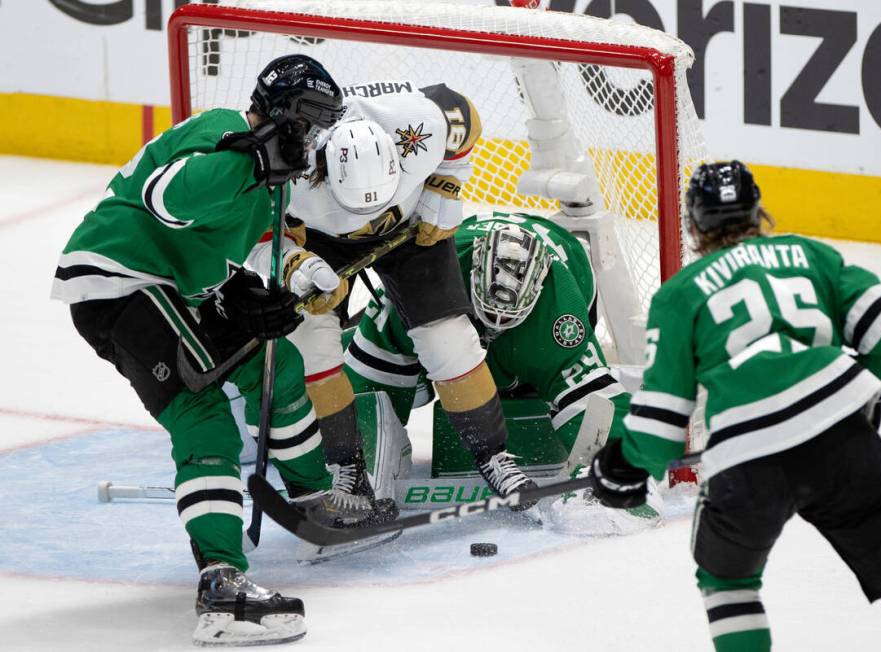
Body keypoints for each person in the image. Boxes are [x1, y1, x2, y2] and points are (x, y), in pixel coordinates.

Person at [588, 161, 881, 651]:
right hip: (845, 443)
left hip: (748, 463)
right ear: (758, 212)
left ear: (692, 225)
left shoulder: (681, 294)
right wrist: (862, 390)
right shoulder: (809, 254)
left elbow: (662, 422)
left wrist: (621, 465)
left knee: (727, 582)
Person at [51, 54, 349, 646]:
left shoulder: (269, 178)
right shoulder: (220, 132)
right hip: (120, 280)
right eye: (311, 118)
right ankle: (221, 583)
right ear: (283, 110)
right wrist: (252, 159)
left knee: (277, 360)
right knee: (202, 410)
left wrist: (263, 292)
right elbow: (169, 199)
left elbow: (245, 246)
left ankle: (315, 498)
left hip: (170, 285)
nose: (315, 134)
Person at [248, 82, 539, 520]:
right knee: (310, 345)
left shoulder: (408, 121)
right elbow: (257, 231)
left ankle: (493, 455)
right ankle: (346, 467)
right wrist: (295, 264)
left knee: (448, 340)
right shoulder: (290, 164)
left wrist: (444, 185)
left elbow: (461, 111)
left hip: (411, 227)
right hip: (319, 244)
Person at [343, 211, 661, 532]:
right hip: (454, 294)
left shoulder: (559, 304)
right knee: (399, 376)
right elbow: (369, 375)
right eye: (490, 317)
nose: (495, 330)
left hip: (537, 318)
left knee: (537, 376)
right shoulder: (425, 274)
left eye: (505, 321)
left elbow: (592, 392)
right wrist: (357, 451)